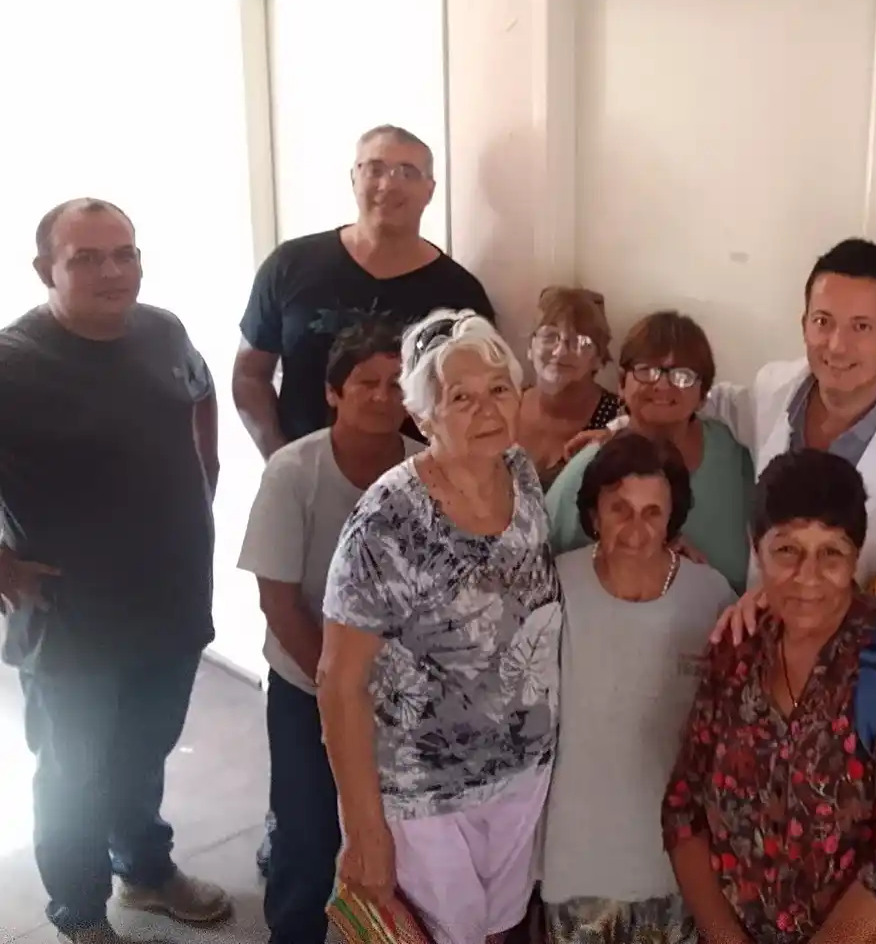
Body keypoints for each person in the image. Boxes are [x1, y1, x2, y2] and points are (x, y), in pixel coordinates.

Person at [0, 199, 229, 944]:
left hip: (170, 600)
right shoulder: (13, 363)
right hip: (72, 619)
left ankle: (145, 869)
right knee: (74, 773)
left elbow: (200, 390)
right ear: (46, 269)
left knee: (141, 750)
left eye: (124, 253)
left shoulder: (162, 330)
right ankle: (79, 908)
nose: (112, 271)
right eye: (87, 258)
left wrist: (207, 471)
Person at [318, 308, 560, 944]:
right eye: (461, 398)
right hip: (422, 794)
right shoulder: (386, 523)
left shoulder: (520, 474)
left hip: (520, 774)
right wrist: (364, 831)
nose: (486, 410)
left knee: (499, 932)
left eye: (498, 389)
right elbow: (339, 683)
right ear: (423, 417)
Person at [662, 449, 876, 944]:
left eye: (832, 553)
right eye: (787, 550)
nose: (808, 577)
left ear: (856, 555)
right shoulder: (739, 648)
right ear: (756, 548)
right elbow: (684, 810)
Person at [238, 320, 424, 944]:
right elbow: (278, 600)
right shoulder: (294, 472)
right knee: (308, 830)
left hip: (400, 693)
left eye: (397, 384)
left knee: (392, 835)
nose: (383, 396)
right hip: (307, 684)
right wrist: (339, 690)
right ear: (332, 392)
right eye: (366, 382)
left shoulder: (427, 470)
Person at [541, 433, 735, 944]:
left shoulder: (710, 596)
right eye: (619, 509)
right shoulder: (553, 586)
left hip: (679, 868)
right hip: (576, 864)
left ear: (673, 517)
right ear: (593, 513)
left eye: (653, 513)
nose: (635, 529)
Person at [699, 238, 876, 584]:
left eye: (861, 327)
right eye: (823, 321)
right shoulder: (772, 388)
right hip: (758, 613)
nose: (836, 345)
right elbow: (703, 401)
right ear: (804, 324)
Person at [234, 124, 495, 456]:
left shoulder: (461, 295)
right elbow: (249, 375)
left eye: (407, 172)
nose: (388, 184)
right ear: (354, 178)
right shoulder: (290, 265)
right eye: (375, 169)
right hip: (306, 476)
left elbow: (478, 399)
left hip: (419, 479)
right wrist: (280, 459)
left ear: (429, 190)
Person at [548, 311, 754, 592]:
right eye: (646, 370)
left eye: (682, 376)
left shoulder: (736, 456)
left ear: (703, 394)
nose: (662, 385)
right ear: (622, 383)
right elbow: (543, 565)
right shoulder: (588, 470)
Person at [516, 286, 623, 489]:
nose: (561, 351)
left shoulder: (617, 421)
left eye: (579, 342)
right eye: (550, 336)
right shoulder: (506, 403)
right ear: (530, 347)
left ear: (599, 359)